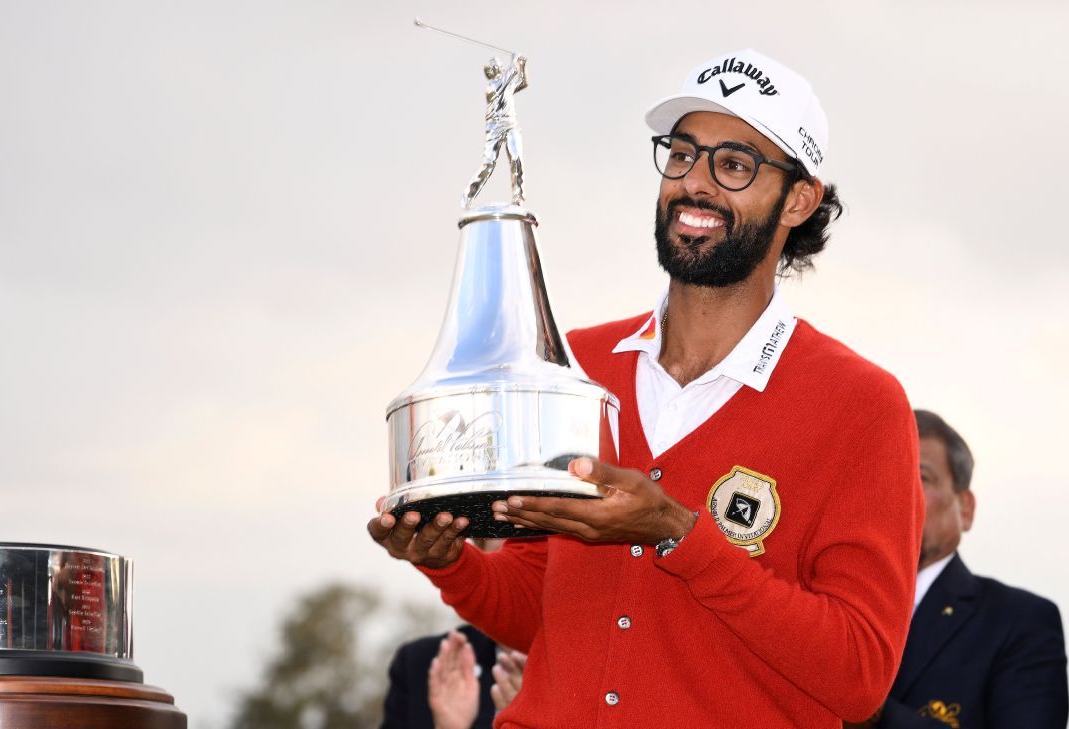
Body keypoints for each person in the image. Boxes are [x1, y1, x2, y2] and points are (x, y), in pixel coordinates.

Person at [369, 48, 924, 728]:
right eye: (682, 155)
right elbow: (538, 607)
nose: (695, 184)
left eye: (734, 165)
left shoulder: (861, 404)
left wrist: (677, 532)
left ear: (799, 199)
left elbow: (859, 675)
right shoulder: (575, 364)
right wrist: (449, 561)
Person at [850, 410, 1068, 728]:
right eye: (883, 476)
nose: (896, 493)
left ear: (965, 508)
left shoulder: (1021, 622)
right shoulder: (827, 600)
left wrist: (874, 711)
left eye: (921, 478)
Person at [382, 539, 527, 729]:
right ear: (479, 556)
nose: (525, 573)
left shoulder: (569, 671)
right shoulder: (421, 665)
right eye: (508, 556)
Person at [462, 54, 529, 208]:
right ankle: (468, 195)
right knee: (489, 164)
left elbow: (522, 82)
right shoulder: (492, 86)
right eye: (498, 65)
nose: (501, 67)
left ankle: (518, 196)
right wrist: (515, 60)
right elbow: (511, 73)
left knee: (516, 158)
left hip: (511, 124)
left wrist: (522, 66)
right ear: (493, 70)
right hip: (494, 127)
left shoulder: (506, 84)